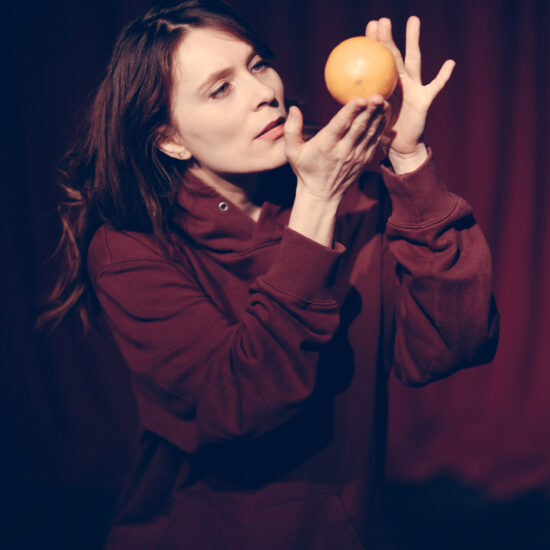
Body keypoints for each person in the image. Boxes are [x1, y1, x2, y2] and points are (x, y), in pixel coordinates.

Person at [38, 0, 499, 548]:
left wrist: (408, 159)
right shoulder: (128, 250)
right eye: (220, 88)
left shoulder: (351, 195)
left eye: (258, 64)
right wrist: (316, 205)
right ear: (170, 139)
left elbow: (452, 342)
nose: (264, 92)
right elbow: (241, 403)